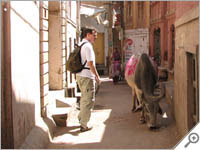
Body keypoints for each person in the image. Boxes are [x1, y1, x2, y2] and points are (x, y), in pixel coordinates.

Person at [76, 28, 101, 132]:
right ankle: (84, 124)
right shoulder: (88, 46)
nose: (95, 37)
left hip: (80, 75)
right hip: (87, 76)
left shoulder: (80, 44)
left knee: (84, 98)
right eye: (94, 35)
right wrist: (97, 76)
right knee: (88, 100)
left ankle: (81, 119)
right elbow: (90, 64)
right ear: (88, 34)